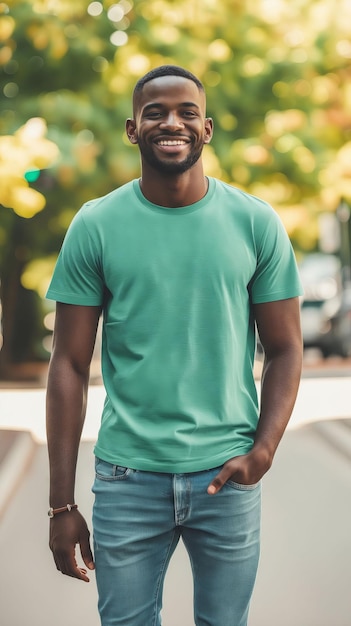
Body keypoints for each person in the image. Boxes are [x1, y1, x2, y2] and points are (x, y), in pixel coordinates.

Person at [46, 65, 303, 626]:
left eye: (187, 112)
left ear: (206, 129)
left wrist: (264, 449)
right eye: (155, 111)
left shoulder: (256, 223)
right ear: (132, 130)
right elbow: (67, 364)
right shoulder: (96, 225)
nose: (172, 122)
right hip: (126, 478)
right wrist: (61, 504)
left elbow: (285, 348)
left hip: (226, 477)